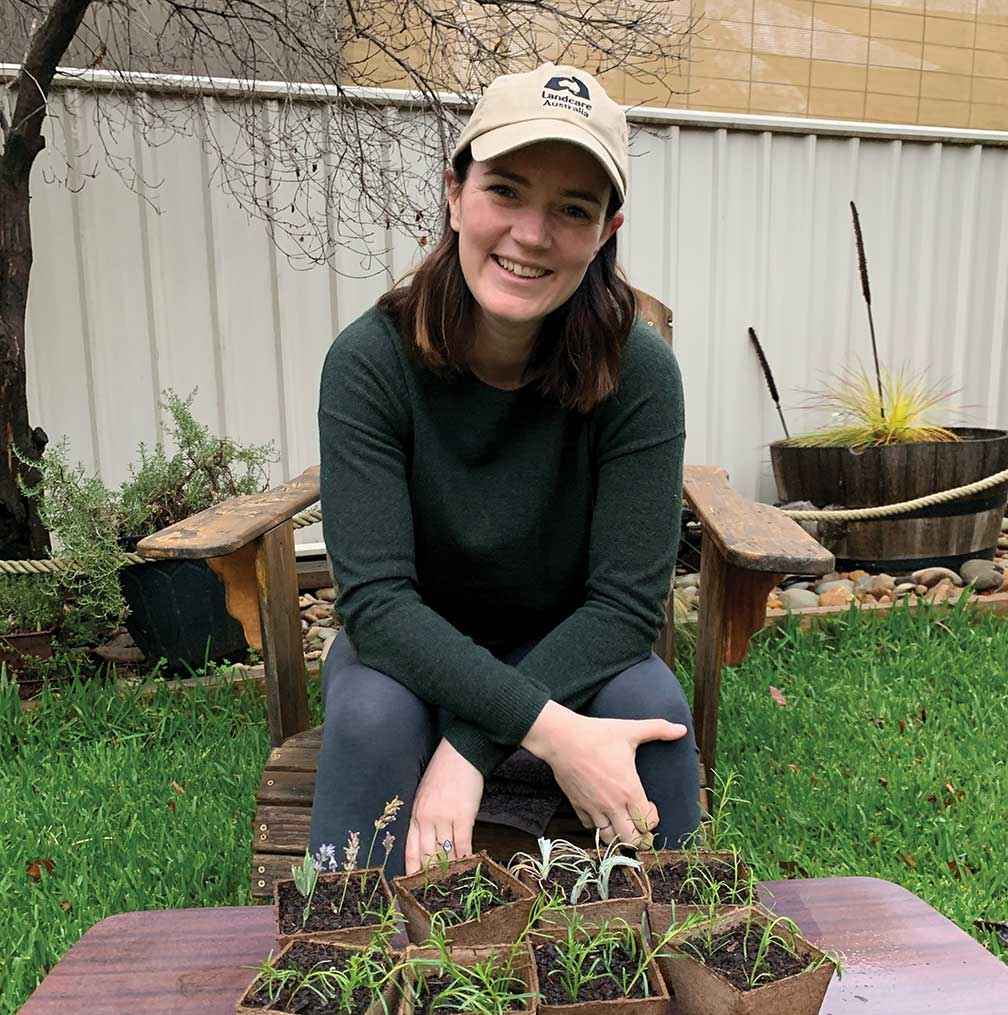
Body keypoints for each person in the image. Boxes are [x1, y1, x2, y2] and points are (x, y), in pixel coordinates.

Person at [309, 62, 700, 879]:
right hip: (413, 652)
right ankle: (349, 963)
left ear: (606, 230)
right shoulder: (369, 363)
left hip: (572, 648)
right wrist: (546, 732)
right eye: (507, 191)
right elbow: (377, 606)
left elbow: (627, 605)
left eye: (572, 209)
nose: (531, 233)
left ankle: (663, 951)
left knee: (653, 709)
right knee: (370, 713)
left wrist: (467, 751)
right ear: (454, 193)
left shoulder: (639, 372)